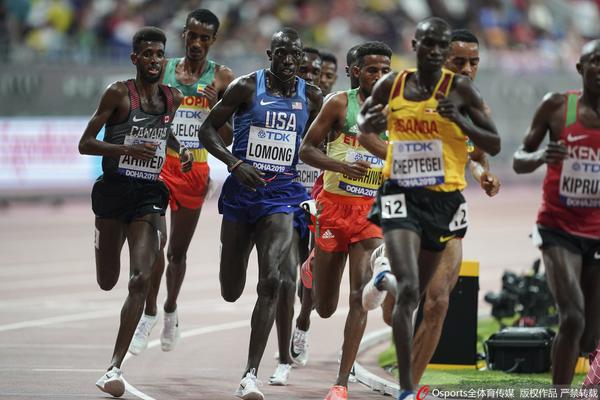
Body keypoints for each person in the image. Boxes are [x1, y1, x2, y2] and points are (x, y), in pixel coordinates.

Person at [357, 17, 500, 399]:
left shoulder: (468, 99)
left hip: (446, 205)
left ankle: (408, 389)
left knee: (437, 302)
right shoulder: (401, 86)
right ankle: (385, 273)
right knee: (400, 306)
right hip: (404, 197)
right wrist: (398, 155)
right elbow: (366, 130)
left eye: (473, 62)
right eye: (459, 61)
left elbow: (478, 154)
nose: (466, 69)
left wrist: (483, 174)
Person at [198, 28, 322, 399]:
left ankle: (250, 374)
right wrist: (234, 163)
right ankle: (233, 267)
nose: (288, 60)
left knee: (272, 281)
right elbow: (207, 131)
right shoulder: (246, 87)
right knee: (231, 290)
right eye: (281, 52)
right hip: (242, 194)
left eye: (294, 54)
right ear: (270, 54)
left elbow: (323, 141)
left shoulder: (311, 97)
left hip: (282, 196)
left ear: (301, 58)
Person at [77, 27, 192, 397]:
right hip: (113, 193)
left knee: (140, 278)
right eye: (147, 54)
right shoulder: (118, 93)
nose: (154, 60)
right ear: (135, 58)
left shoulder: (172, 97)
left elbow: (164, 131)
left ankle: (114, 367)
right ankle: (102, 240)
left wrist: (180, 149)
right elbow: (85, 143)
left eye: (159, 54)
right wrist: (124, 150)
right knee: (107, 280)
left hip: (148, 194)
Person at [129, 8, 234, 356]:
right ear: (184, 35)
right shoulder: (165, 68)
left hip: (195, 170)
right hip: (161, 166)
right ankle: (149, 312)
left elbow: (229, 137)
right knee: (155, 243)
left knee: (177, 252)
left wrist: (215, 108)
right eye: (193, 35)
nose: (197, 43)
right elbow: (147, 112)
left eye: (205, 38)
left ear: (213, 41)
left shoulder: (222, 77)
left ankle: (171, 309)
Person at [299, 41, 392, 400]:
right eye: (372, 70)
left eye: (385, 70)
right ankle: (311, 265)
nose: (379, 76)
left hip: (370, 212)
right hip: (334, 208)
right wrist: (341, 165)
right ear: (355, 72)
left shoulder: (396, 110)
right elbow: (307, 150)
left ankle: (340, 383)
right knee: (324, 308)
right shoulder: (339, 103)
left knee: (359, 297)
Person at [513, 39, 600, 385]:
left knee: (590, 337)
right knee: (573, 317)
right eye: (596, 61)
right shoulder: (557, 107)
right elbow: (520, 159)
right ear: (580, 68)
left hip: (598, 231)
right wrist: (540, 156)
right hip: (558, 228)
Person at [292, 45, 361, 367]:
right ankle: (299, 321)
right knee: (288, 270)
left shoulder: (340, 106)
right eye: (316, 74)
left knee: (313, 274)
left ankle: (303, 320)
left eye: (327, 75)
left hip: (324, 189)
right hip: (289, 190)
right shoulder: (301, 102)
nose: (320, 79)